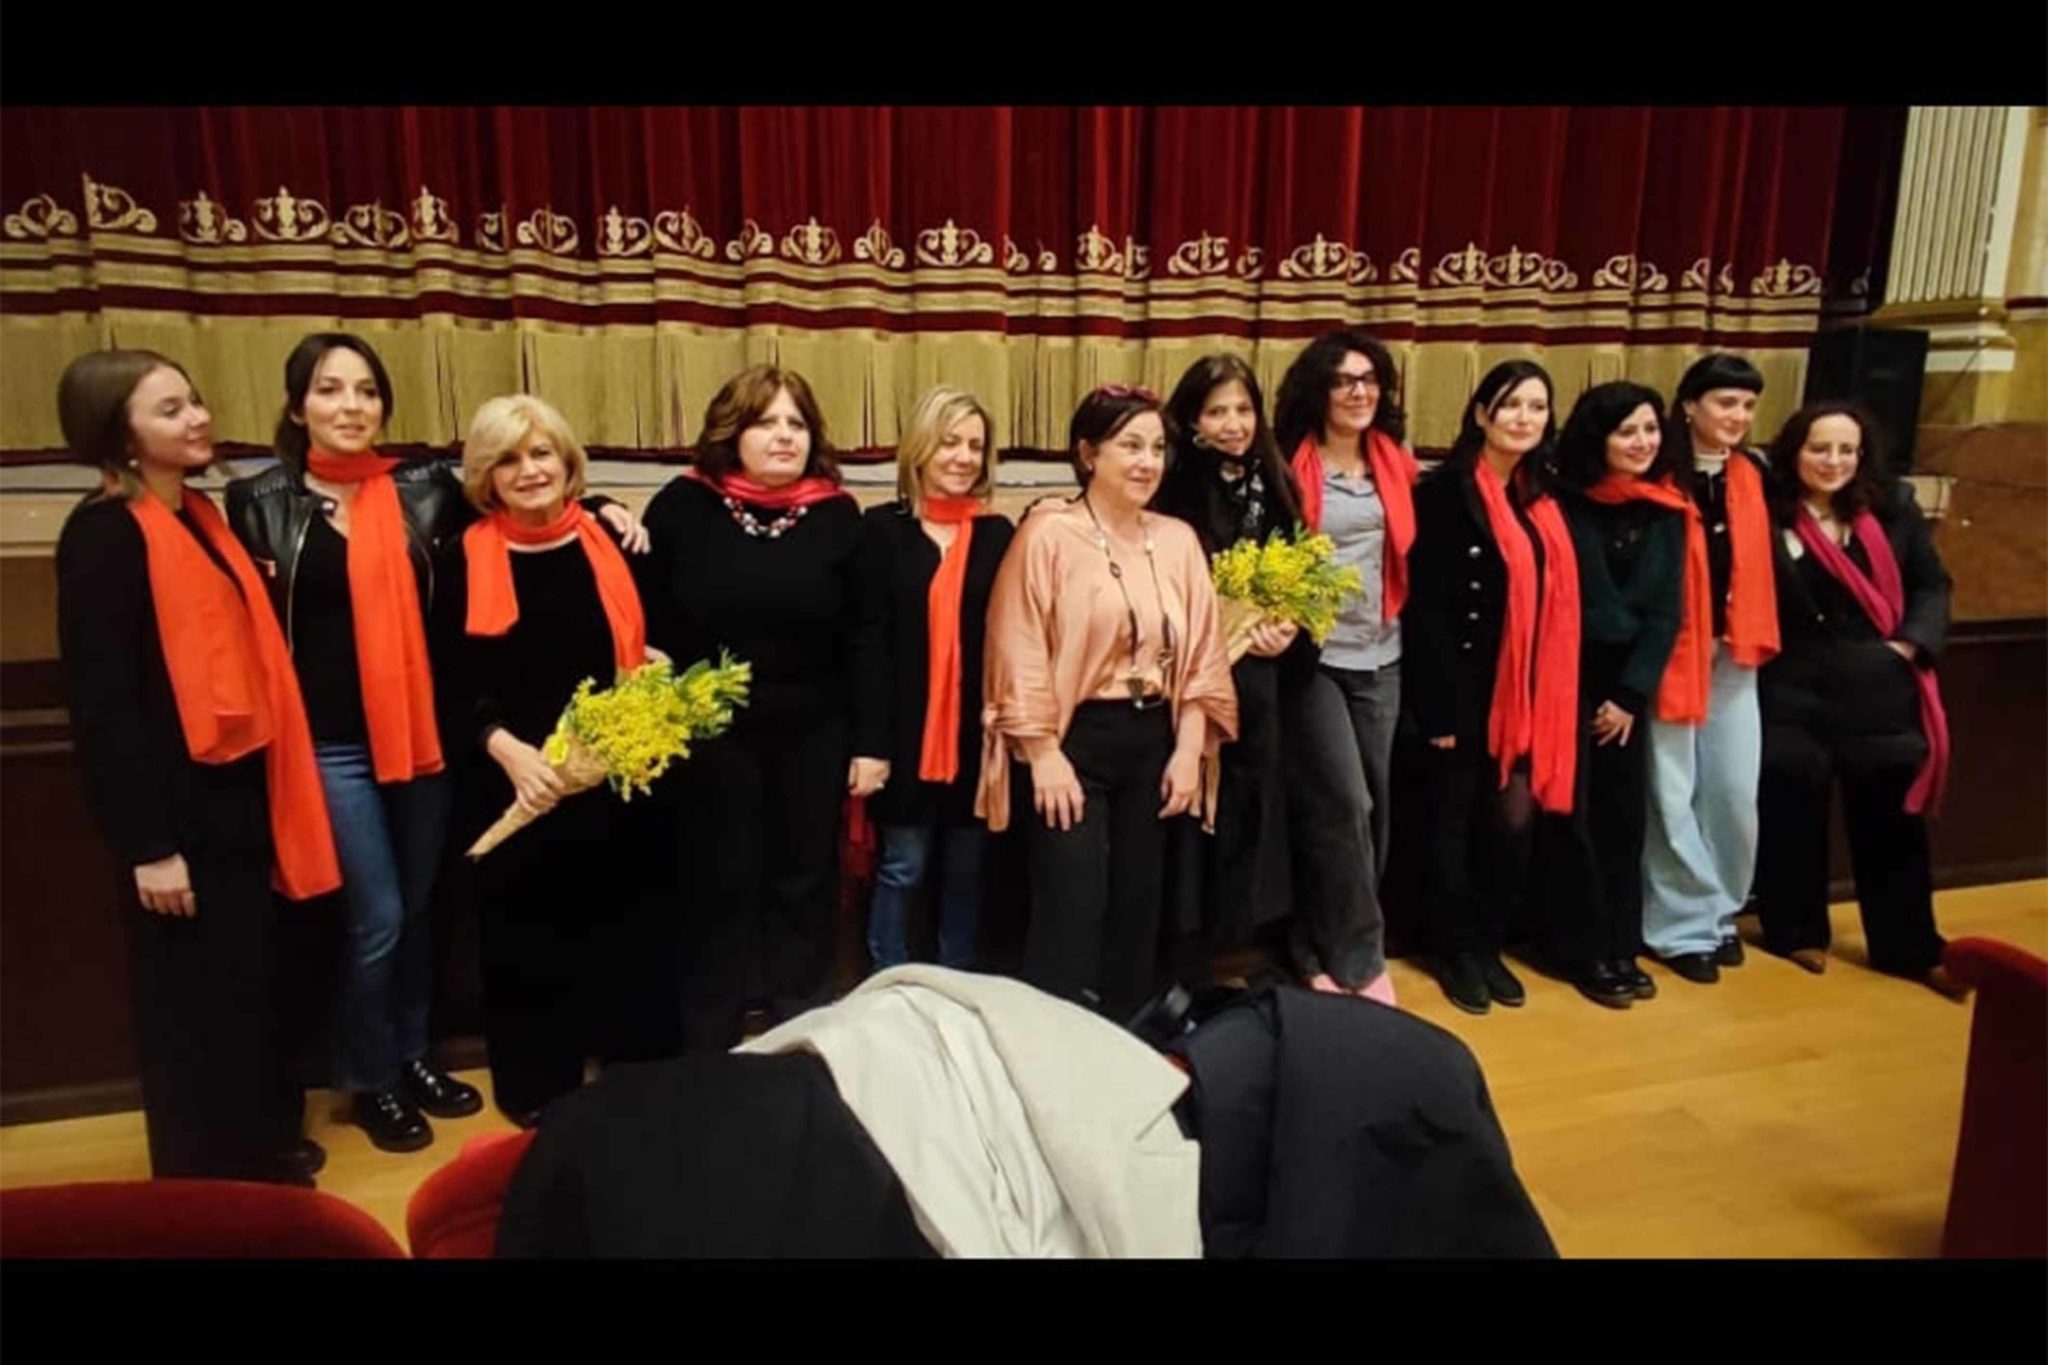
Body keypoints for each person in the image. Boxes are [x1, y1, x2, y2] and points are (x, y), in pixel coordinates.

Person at [228, 332, 646, 1151]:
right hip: (333, 745)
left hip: (422, 737)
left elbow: (522, 497)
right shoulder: (260, 501)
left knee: (421, 910)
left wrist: (603, 505)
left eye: (365, 390)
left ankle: (413, 1054)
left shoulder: (421, 489)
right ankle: (371, 1076)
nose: (351, 406)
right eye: (329, 389)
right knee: (377, 916)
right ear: (297, 406)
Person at [55, 349, 340, 1183]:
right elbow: (105, 707)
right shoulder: (104, 534)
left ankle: (258, 1143)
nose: (199, 418)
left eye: (195, 400)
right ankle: (210, 1178)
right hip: (175, 811)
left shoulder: (199, 516)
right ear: (120, 436)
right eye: (170, 409)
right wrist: (149, 844)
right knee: (190, 1006)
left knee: (247, 983)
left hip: (239, 789)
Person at [439, 394, 684, 1123]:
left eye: (541, 452)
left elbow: (660, 638)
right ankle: (539, 1088)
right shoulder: (459, 559)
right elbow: (449, 680)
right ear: (486, 476)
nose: (529, 470)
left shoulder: (616, 540)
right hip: (517, 782)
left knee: (629, 929)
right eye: (508, 459)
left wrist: (655, 672)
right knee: (526, 940)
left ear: (567, 460)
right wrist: (510, 753)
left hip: (616, 776)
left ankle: (635, 1075)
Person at [640, 365, 888, 1049]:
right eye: (766, 422)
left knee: (803, 883)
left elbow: (867, 637)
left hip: (814, 732)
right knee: (716, 883)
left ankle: (797, 1029)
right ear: (732, 432)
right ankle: (708, 1040)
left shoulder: (839, 517)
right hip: (709, 735)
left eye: (796, 423)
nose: (784, 436)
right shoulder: (682, 507)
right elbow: (643, 618)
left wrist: (872, 744)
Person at [980, 384, 1238, 1018]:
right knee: (1072, 904)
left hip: (1155, 739)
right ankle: (1050, 1037)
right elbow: (1016, 647)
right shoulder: (1047, 534)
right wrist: (1043, 754)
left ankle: (1126, 1033)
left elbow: (1204, 653)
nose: (1148, 462)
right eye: (1130, 446)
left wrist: (1188, 751)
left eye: (1157, 448)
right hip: (1075, 743)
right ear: (1089, 454)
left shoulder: (1178, 540)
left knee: (1138, 905)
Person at [1752, 401, 1966, 998]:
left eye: (1847, 450)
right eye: (1820, 448)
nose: (1834, 461)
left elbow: (1932, 585)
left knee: (1892, 825)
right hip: (1792, 687)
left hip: (1877, 686)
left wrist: (1910, 645)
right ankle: (1796, 931)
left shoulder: (1892, 507)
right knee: (1792, 811)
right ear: (1794, 452)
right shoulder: (1765, 510)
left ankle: (1910, 946)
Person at [1404, 361, 1580, 1014]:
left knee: (1511, 822)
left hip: (1535, 691)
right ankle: (1452, 949)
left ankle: (1487, 941)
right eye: (1510, 405)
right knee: (1451, 823)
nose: (1523, 418)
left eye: (1537, 406)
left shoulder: (1546, 495)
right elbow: (1426, 609)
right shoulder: (1442, 494)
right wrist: (1438, 707)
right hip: (1466, 688)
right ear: (1481, 413)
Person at [1541, 382, 1687, 1007]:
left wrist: (1630, 695)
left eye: (1650, 429)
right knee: (1569, 819)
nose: (1642, 442)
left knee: (1621, 820)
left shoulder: (1666, 509)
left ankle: (1620, 945)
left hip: (1626, 688)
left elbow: (1666, 612)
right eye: (1627, 431)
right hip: (1562, 675)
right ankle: (1579, 949)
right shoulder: (1558, 502)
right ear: (1597, 437)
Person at [859, 386, 1014, 972]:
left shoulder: (999, 536)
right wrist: (870, 745)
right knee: (904, 867)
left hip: (977, 735)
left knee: (966, 872)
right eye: (949, 442)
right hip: (903, 736)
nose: (963, 457)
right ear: (920, 448)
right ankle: (890, 980)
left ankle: (958, 981)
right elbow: (868, 646)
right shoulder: (881, 531)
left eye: (975, 446)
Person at [1639, 354, 1779, 985]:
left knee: (1732, 793)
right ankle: (1680, 927)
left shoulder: (1753, 475)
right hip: (1671, 653)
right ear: (1690, 405)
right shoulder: (1659, 473)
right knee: (1672, 793)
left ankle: (1721, 911)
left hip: (1737, 649)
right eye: (1726, 402)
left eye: (1748, 405)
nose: (1738, 416)